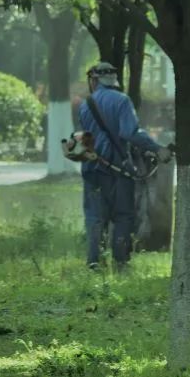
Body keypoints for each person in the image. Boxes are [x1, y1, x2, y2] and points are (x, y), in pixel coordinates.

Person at [78, 61, 168, 269]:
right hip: (118, 170)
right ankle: (121, 262)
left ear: (95, 80)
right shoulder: (122, 101)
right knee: (122, 216)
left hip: (91, 168)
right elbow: (130, 133)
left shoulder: (86, 104)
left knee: (94, 217)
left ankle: (94, 262)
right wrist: (156, 149)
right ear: (112, 79)